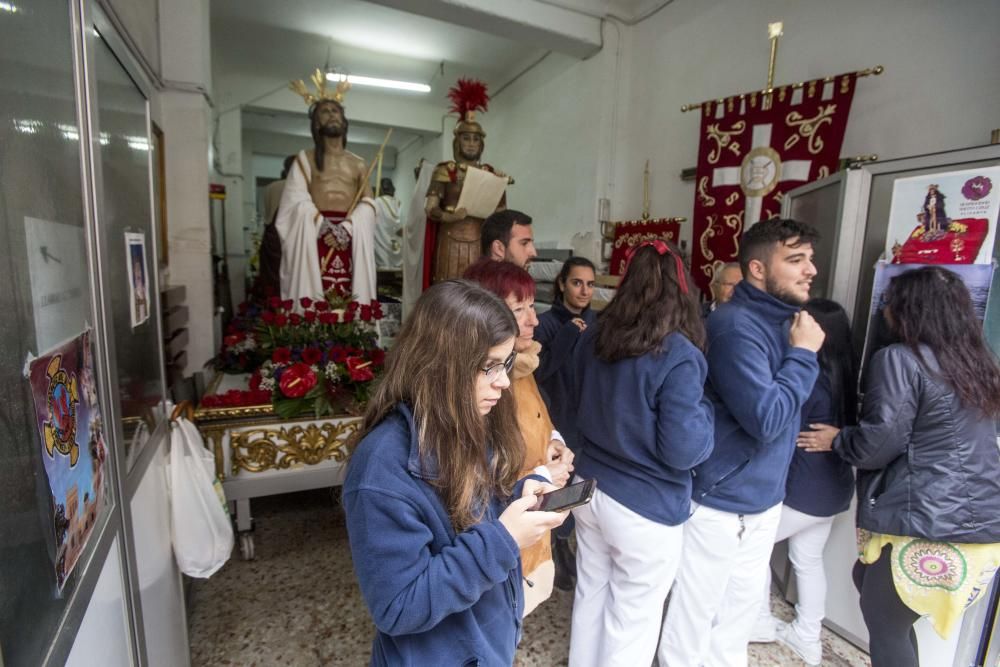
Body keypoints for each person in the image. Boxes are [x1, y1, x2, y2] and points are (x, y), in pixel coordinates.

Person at [342, 280, 566, 666]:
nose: (503, 381)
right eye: (488, 367)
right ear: (438, 364)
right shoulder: (380, 469)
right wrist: (504, 539)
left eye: (506, 363)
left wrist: (519, 498)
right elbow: (397, 606)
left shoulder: (467, 420)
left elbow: (471, 520)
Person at [798, 266, 1000, 667]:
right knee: (877, 597)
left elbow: (878, 443)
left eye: (890, 303)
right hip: (979, 529)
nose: (885, 311)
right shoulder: (978, 362)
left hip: (930, 521)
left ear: (910, 310)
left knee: (886, 624)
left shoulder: (899, 359)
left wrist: (837, 438)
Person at [660, 218, 825, 667]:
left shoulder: (791, 322)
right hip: (721, 500)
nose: (810, 269)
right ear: (757, 268)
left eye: (810, 259)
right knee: (694, 619)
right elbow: (767, 418)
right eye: (795, 260)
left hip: (763, 498)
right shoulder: (735, 327)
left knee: (738, 616)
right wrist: (804, 356)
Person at [569, 240, 715, 667]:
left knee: (591, 591)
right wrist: (706, 414)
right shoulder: (679, 355)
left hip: (590, 488)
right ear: (681, 290)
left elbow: (578, 398)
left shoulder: (595, 334)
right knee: (632, 617)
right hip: (644, 505)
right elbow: (684, 450)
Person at [463, 258, 575, 615]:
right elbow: (479, 477)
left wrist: (553, 441)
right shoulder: (485, 385)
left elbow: (537, 418)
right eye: (519, 308)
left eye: (532, 306)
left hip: (529, 540)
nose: (534, 319)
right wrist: (543, 476)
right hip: (498, 544)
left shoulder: (522, 364)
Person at [752, 298, 858, 666]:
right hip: (833, 489)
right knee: (807, 559)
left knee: (752, 549)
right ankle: (808, 638)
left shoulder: (809, 376)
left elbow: (775, 423)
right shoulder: (845, 373)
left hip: (804, 490)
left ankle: (759, 622)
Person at [278, 75, 377, 306]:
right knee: (316, 298)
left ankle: (351, 338)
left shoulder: (359, 163)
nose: (332, 114)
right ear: (316, 123)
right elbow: (295, 201)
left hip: (348, 237)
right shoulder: (306, 159)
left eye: (336, 110)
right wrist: (322, 226)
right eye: (325, 111)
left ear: (344, 120)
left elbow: (370, 203)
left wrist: (347, 228)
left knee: (348, 294)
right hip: (315, 237)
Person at [424, 79, 511, 286]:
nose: (471, 143)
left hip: (480, 243)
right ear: (457, 141)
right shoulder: (444, 170)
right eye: (466, 138)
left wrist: (498, 186)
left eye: (475, 139)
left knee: (478, 292)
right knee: (449, 290)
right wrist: (450, 216)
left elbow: (502, 216)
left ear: (481, 144)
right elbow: (430, 209)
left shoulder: (490, 173)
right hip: (450, 241)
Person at [534, 256, 597, 449]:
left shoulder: (600, 324)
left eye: (590, 284)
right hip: (557, 426)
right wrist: (566, 336)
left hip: (592, 427)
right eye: (577, 283)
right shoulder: (543, 324)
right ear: (562, 284)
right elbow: (538, 374)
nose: (585, 291)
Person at [253, 154, 296, 300]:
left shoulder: (270, 187)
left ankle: (272, 315)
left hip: (270, 238)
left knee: (271, 282)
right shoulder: (296, 187)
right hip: (288, 237)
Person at [373, 177, 402, 270]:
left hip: (381, 238)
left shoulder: (378, 201)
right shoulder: (398, 203)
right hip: (395, 237)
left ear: (381, 189)